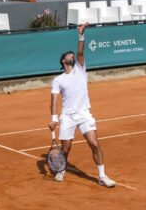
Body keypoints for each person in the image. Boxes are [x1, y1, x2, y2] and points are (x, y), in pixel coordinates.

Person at [48, 23, 115, 188]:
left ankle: (101, 176)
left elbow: (80, 51)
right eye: (69, 55)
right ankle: (61, 169)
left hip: (84, 114)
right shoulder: (58, 80)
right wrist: (54, 118)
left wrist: (81, 35)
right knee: (66, 148)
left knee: (94, 143)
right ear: (63, 61)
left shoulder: (80, 68)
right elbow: (54, 100)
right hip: (68, 116)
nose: (72, 55)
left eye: (73, 55)